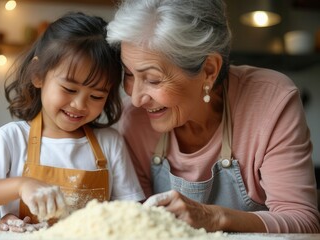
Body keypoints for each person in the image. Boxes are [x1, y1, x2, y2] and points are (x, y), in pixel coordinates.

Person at [106, 0, 320, 233]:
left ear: (209, 70)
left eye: (153, 79)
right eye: (128, 74)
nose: (136, 98)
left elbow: (303, 222)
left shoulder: (271, 101)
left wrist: (213, 217)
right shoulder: (135, 119)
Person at [0, 12, 145, 232]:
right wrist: (20, 185)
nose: (79, 105)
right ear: (38, 74)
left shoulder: (110, 143)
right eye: (69, 89)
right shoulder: (11, 139)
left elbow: (134, 215)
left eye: (96, 96)